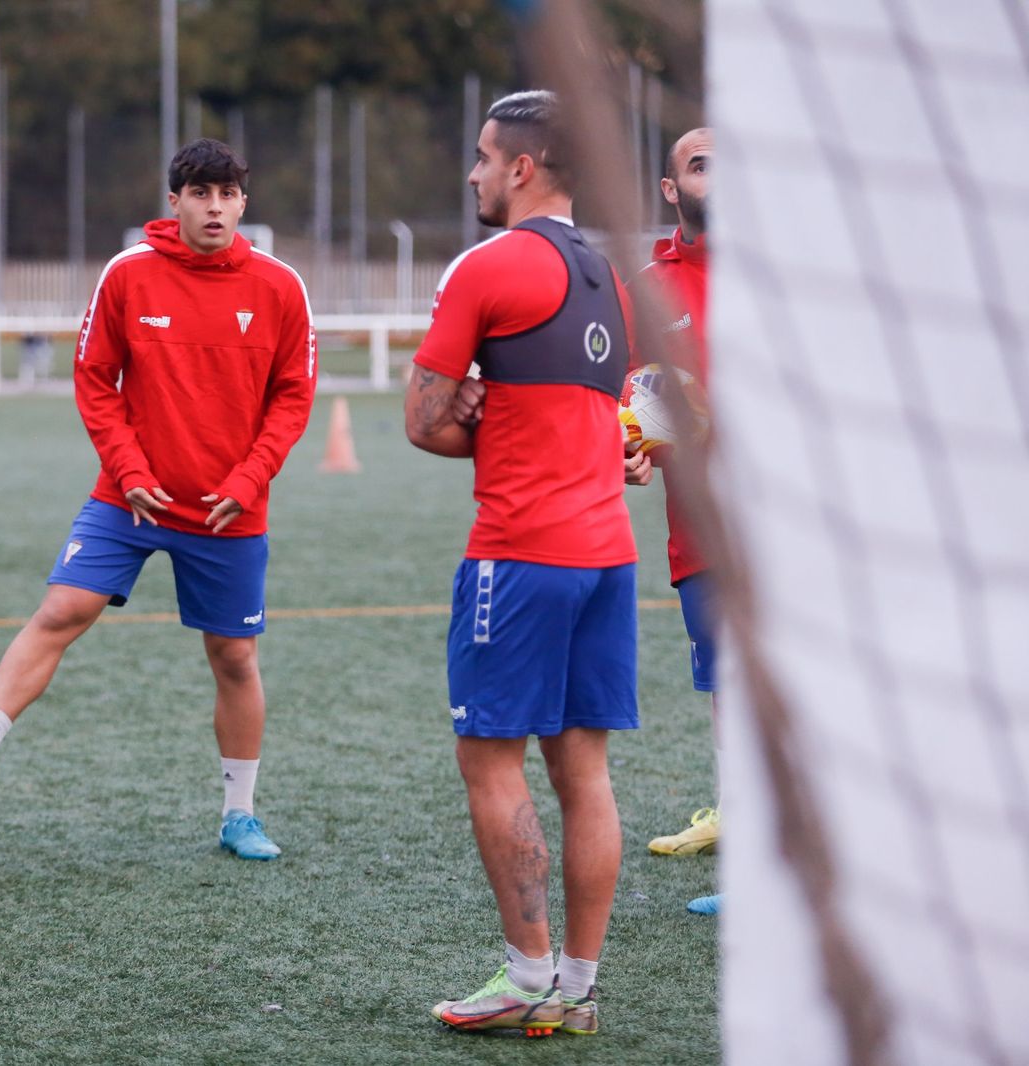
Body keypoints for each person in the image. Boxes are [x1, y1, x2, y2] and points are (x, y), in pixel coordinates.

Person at [0, 139, 317, 861]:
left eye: (227, 194)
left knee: (234, 657)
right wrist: (127, 470)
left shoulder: (280, 287)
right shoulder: (128, 274)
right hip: (130, 498)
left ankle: (239, 815)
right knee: (62, 610)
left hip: (228, 509)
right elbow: (95, 379)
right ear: (175, 201)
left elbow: (293, 397)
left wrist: (249, 481)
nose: (214, 207)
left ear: (243, 203)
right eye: (200, 193)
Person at [405, 90, 638, 1037]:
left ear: (521, 168)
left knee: (490, 761)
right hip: (609, 557)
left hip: (521, 554)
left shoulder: (489, 265)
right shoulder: (611, 277)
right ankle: (576, 990)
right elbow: (616, 420)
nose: (474, 174)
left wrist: (474, 410)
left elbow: (423, 422)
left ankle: (527, 975)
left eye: (482, 157)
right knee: (586, 776)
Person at [632, 127, 722, 915]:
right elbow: (634, 399)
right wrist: (638, 445)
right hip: (703, 532)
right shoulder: (648, 290)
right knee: (729, 691)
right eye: (700, 164)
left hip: (799, 530)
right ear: (671, 190)